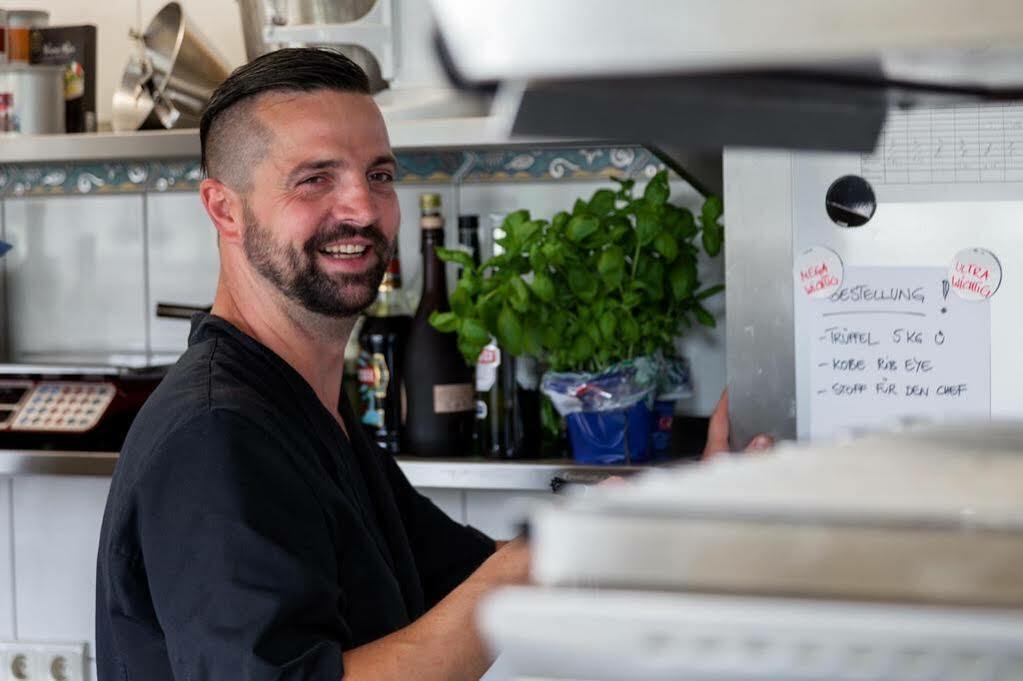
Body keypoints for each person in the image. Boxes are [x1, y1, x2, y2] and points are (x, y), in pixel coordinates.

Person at [95, 47, 769, 681]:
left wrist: (683, 515)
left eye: (379, 175)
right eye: (315, 179)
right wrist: (528, 569)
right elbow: (501, 584)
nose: (362, 207)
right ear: (224, 208)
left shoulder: (310, 412)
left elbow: (466, 580)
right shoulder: (218, 435)